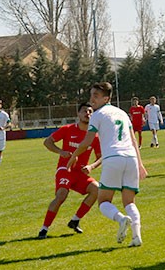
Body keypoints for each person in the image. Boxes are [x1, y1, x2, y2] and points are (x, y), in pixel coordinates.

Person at [71, 82, 148, 247]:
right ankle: (136, 237)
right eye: (91, 95)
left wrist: (73, 157)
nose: (92, 99)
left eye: (96, 96)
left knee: (104, 201)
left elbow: (86, 142)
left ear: (106, 98)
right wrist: (140, 164)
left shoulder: (97, 115)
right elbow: (133, 140)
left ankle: (121, 219)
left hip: (113, 158)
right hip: (131, 158)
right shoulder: (122, 113)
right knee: (130, 202)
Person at [38, 103, 102, 239]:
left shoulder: (94, 136)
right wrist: (60, 152)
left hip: (80, 173)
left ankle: (75, 220)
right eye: (85, 111)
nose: (88, 113)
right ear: (78, 114)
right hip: (65, 169)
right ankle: (44, 229)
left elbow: (101, 157)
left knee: (97, 189)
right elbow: (47, 142)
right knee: (61, 195)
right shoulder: (68, 129)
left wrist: (91, 166)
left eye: (90, 111)